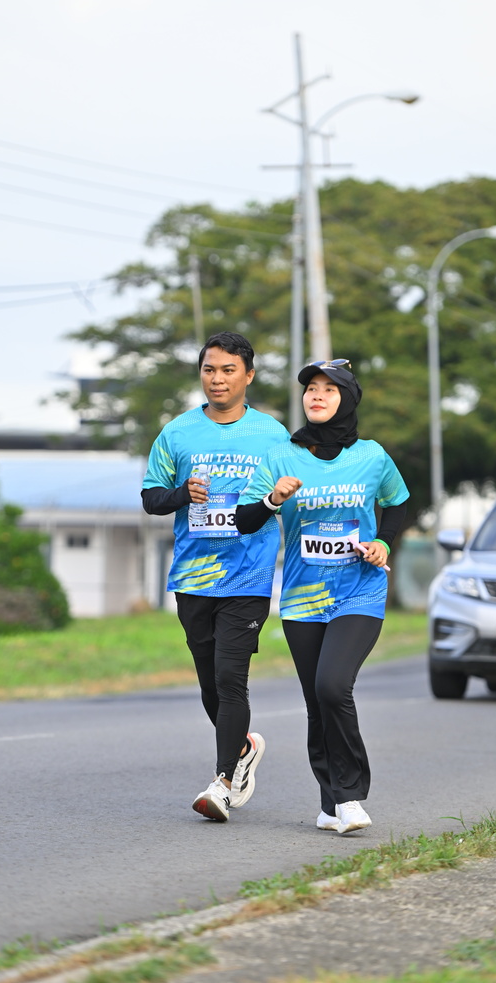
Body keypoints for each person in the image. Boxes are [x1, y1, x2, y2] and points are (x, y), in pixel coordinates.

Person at [236, 359, 409, 834]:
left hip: (360, 592)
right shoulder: (281, 456)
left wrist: (384, 542)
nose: (317, 395)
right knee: (317, 701)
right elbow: (244, 520)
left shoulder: (372, 456)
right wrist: (273, 499)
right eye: (311, 387)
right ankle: (330, 804)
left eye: (329, 389)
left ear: (347, 399)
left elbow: (397, 502)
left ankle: (350, 796)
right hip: (303, 598)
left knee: (333, 686)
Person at [141, 332, 289, 822]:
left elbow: (295, 497)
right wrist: (182, 493)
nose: (217, 379)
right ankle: (243, 747)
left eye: (228, 370)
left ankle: (223, 783)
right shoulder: (177, 433)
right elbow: (151, 498)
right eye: (209, 370)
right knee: (209, 681)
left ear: (249, 375)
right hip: (193, 577)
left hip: (248, 576)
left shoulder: (273, 435)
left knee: (230, 677)